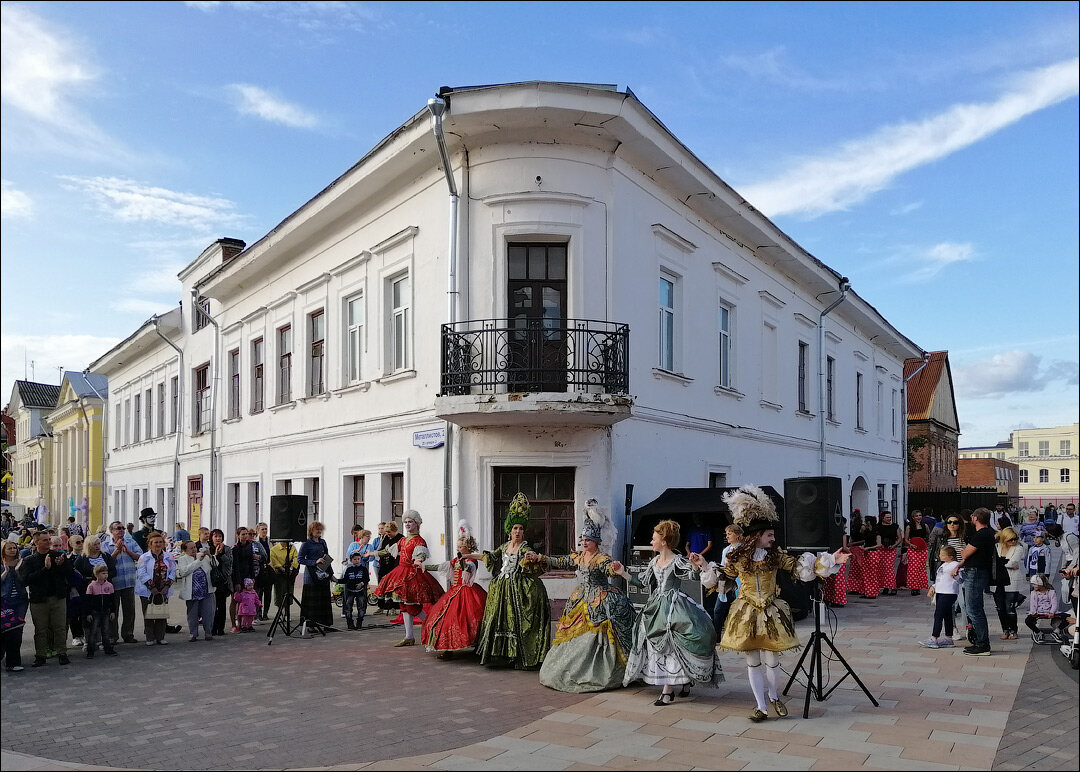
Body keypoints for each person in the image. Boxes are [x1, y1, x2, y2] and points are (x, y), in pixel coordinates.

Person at [695, 486, 843, 721]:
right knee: (752, 661)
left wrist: (832, 559)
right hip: (746, 612)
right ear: (756, 536)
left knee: (772, 660)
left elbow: (801, 569)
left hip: (771, 611)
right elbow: (723, 579)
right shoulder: (738, 557)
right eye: (769, 535)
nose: (773, 538)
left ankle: (774, 696)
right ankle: (761, 705)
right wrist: (704, 565)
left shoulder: (776, 555)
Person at [614, 519, 723, 706]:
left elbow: (692, 576)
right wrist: (623, 573)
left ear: (664, 541)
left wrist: (696, 565)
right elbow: (643, 582)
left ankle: (668, 691)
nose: (651, 542)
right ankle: (681, 682)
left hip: (674, 604)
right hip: (656, 604)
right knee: (654, 641)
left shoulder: (677, 560)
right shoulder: (654, 561)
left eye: (653, 538)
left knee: (675, 641)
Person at [535, 502, 635, 693]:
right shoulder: (579, 556)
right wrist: (541, 558)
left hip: (601, 600)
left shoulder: (601, 558)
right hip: (582, 599)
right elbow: (562, 561)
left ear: (596, 541)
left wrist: (615, 570)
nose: (584, 542)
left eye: (587, 539)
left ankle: (603, 670)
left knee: (604, 632)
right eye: (582, 539)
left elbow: (610, 570)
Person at [471, 493, 551, 670]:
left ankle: (518, 656)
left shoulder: (524, 547)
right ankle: (502, 655)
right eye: (515, 528)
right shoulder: (505, 546)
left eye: (521, 528)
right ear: (510, 530)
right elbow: (489, 556)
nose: (518, 531)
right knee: (499, 620)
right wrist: (468, 555)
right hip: (501, 589)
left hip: (516, 589)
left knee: (516, 622)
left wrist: (531, 559)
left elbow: (531, 560)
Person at [374, 511, 444, 646]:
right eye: (405, 522)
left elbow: (421, 554)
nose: (407, 524)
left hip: (413, 576)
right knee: (404, 607)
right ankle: (409, 636)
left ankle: (436, 626)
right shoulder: (403, 540)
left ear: (417, 523)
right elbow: (388, 551)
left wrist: (418, 560)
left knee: (413, 607)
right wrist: (373, 553)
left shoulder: (419, 540)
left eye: (410, 522)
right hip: (401, 574)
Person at [420, 519, 487, 659]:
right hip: (454, 591)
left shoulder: (471, 560)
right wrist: (425, 567)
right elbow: (442, 566)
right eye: (457, 546)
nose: (458, 548)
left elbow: (468, 569)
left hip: (468, 591)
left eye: (460, 546)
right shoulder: (455, 560)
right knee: (445, 619)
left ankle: (476, 645)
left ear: (467, 547)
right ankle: (447, 648)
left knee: (469, 619)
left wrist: (463, 561)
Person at [18, 531, 76, 666]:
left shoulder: (58, 555)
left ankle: (62, 653)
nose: (48, 542)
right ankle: (40, 655)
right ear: (36, 542)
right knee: (41, 629)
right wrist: (45, 569)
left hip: (58, 598)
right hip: (39, 600)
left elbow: (70, 574)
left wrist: (62, 565)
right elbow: (25, 580)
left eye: (49, 539)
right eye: (45, 540)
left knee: (60, 627)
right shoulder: (29, 560)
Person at [953, 508, 996, 655]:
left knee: (973, 609)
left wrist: (962, 550)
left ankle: (983, 644)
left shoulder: (981, 534)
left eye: (972, 516)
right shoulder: (987, 532)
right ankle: (979, 641)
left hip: (976, 572)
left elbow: (965, 553)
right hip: (976, 571)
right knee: (976, 607)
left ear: (976, 518)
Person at [99, 521, 143, 644]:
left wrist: (127, 550)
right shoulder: (105, 545)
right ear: (111, 531)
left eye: (123, 528)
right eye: (118, 528)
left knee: (129, 610)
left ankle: (128, 634)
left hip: (129, 581)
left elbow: (140, 557)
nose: (121, 530)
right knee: (113, 610)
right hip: (113, 582)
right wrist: (117, 551)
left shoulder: (131, 542)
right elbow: (104, 563)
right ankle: (112, 636)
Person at [135, 532, 176, 646]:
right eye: (155, 542)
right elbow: (141, 573)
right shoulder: (144, 557)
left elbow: (173, 571)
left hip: (164, 589)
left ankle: (160, 637)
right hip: (148, 591)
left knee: (161, 614)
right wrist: (151, 587)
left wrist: (167, 586)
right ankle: (149, 637)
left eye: (160, 542)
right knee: (148, 614)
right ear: (150, 544)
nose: (158, 544)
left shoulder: (169, 557)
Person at [918, 546, 960, 648]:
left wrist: (957, 576)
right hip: (941, 592)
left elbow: (960, 578)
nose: (940, 556)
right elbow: (940, 579)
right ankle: (948, 638)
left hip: (948, 593)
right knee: (947, 615)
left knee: (938, 615)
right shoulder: (943, 565)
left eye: (943, 554)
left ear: (950, 557)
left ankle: (934, 638)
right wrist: (933, 587)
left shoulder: (955, 565)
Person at [175, 540, 216, 642]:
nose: (194, 549)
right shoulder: (182, 559)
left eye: (194, 547)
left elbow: (216, 565)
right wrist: (197, 561)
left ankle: (208, 632)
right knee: (192, 614)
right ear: (184, 550)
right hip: (192, 591)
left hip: (206, 590)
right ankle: (193, 633)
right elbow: (183, 572)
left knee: (208, 613)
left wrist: (210, 556)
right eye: (191, 548)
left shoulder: (204, 557)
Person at [298, 521, 335, 628]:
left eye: (320, 529)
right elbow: (300, 559)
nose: (319, 531)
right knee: (312, 601)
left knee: (323, 600)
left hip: (323, 574)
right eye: (316, 529)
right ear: (311, 531)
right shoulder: (306, 543)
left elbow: (326, 557)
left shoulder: (323, 542)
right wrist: (314, 561)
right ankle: (310, 625)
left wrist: (331, 574)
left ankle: (325, 624)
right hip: (311, 575)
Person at [993, 527, 1026, 641]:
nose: (1013, 542)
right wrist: (1004, 563)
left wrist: (1000, 563)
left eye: (1015, 539)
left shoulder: (1018, 548)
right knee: (1000, 608)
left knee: (1009, 608)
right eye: (1010, 540)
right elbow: (992, 562)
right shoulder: (996, 547)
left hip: (1012, 581)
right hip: (997, 581)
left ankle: (1013, 630)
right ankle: (1005, 629)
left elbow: (1013, 562)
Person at [1, 540, 30, 671]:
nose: (13, 550)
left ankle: (13, 662)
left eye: (14, 548)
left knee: (17, 630)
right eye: (9, 548)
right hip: (4, 601)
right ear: (3, 551)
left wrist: (17, 571)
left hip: (20, 601)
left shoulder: (21, 562)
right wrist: (6, 572)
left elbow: (25, 582)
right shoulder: (1, 564)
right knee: (4, 630)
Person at [83, 564, 117, 658]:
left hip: (106, 612)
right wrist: (88, 613)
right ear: (97, 574)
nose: (105, 575)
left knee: (106, 631)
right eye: (103, 573)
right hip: (95, 612)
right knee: (93, 632)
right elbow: (88, 601)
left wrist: (113, 611)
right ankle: (90, 651)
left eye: (106, 573)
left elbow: (112, 600)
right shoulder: (91, 586)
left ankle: (108, 649)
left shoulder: (109, 585)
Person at [714, 524, 744, 627]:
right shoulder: (726, 550)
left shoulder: (744, 549)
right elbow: (723, 567)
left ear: (737, 535)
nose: (727, 536)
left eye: (729, 534)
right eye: (726, 534)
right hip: (726, 583)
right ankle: (716, 636)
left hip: (740, 583)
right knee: (718, 610)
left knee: (739, 610)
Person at [1025, 574, 1069, 641]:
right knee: (1028, 620)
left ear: (1040, 584)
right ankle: (1038, 632)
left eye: (1034, 584)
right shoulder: (1034, 593)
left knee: (1068, 618)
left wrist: (1052, 612)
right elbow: (1033, 604)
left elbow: (1054, 603)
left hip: (1050, 611)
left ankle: (1056, 631)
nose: (1032, 586)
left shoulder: (1051, 592)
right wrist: (1034, 612)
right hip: (1038, 612)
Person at [373, 522, 401, 615]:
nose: (387, 534)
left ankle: (394, 607)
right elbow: (380, 549)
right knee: (382, 584)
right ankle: (381, 606)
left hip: (394, 566)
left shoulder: (401, 538)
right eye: (386, 532)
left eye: (389, 532)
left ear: (394, 530)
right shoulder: (385, 537)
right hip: (384, 565)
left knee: (393, 587)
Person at [209, 529, 233, 637]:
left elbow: (229, 562)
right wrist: (215, 554)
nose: (218, 538)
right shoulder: (208, 548)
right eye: (216, 536)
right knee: (212, 606)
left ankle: (221, 628)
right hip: (212, 580)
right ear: (212, 538)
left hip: (223, 580)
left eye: (220, 536)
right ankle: (213, 628)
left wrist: (221, 553)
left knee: (221, 605)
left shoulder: (227, 549)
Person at [338, 551, 369, 630]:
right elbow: (345, 580)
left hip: (360, 591)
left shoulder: (363, 569)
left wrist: (361, 584)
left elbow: (366, 579)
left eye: (358, 559)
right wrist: (336, 580)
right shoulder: (348, 569)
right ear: (351, 560)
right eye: (354, 559)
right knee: (348, 607)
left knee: (361, 606)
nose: (357, 560)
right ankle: (350, 623)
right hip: (350, 591)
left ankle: (359, 622)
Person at [902, 510, 930, 596]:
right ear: (913, 517)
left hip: (922, 550)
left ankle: (918, 586)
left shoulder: (925, 526)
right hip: (913, 550)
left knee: (921, 569)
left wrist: (926, 543)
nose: (919, 517)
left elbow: (928, 536)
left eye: (920, 515)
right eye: (916, 516)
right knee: (913, 568)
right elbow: (906, 539)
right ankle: (913, 587)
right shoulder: (909, 527)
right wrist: (911, 544)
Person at [874, 511, 901, 596]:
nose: (889, 519)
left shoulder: (894, 526)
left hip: (891, 550)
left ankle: (893, 587)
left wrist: (894, 545)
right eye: (887, 517)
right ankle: (885, 587)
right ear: (883, 518)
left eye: (890, 517)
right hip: (881, 549)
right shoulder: (878, 527)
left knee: (889, 568)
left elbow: (900, 538)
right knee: (882, 569)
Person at [269, 539, 299, 611]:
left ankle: (286, 612)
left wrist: (292, 568)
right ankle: (280, 612)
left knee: (289, 592)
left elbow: (296, 558)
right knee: (279, 593)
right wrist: (282, 569)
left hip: (290, 574)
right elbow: (274, 561)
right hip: (279, 574)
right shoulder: (274, 549)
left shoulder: (292, 547)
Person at [253, 523, 272, 620]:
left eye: (266, 529)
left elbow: (274, 553)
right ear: (257, 531)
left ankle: (266, 612)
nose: (264, 531)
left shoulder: (270, 541)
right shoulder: (255, 542)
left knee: (268, 592)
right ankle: (258, 612)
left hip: (268, 568)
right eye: (262, 529)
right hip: (259, 569)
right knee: (259, 592)